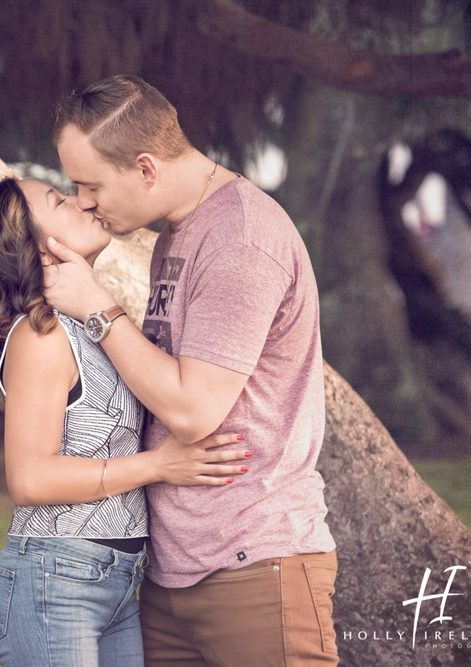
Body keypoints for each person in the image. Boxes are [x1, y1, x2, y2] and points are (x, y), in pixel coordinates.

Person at [42, 74, 338, 665]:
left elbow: (193, 410)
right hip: (174, 571)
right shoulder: (182, 232)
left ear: (146, 168)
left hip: (253, 562)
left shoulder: (240, 240)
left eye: (90, 184)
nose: (82, 202)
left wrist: (98, 307)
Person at [0, 176, 252, 666]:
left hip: (114, 579)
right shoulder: (40, 335)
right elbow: (30, 478)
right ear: (35, 248)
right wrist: (159, 466)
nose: (79, 201)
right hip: (55, 579)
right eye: (58, 200)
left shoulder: (86, 325)